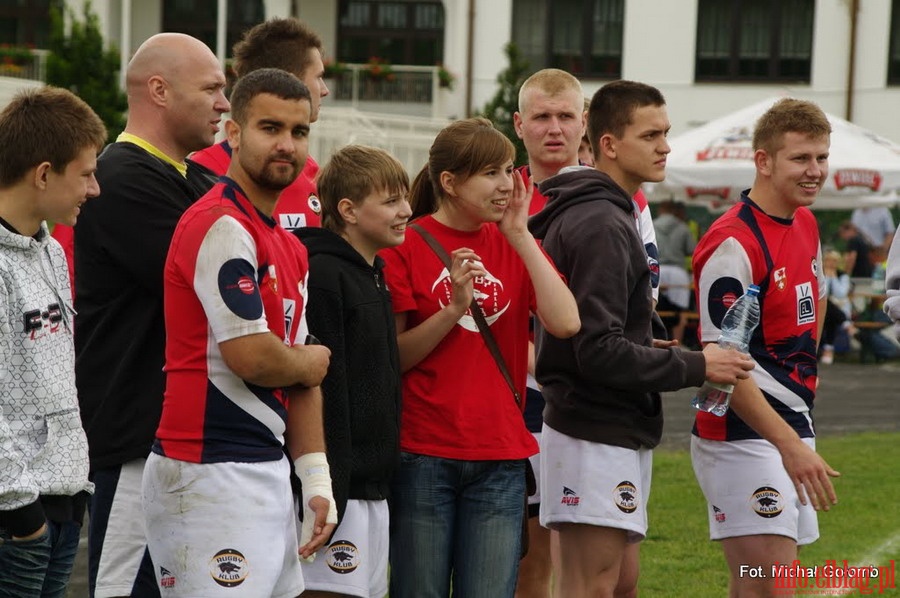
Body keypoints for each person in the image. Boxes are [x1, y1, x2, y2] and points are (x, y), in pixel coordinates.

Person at [527, 80, 757, 598]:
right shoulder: (601, 221)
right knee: (591, 586)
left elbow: (596, 332)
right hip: (593, 426)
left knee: (615, 581)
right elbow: (597, 351)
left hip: (605, 424)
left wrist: (645, 340)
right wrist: (701, 366)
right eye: (651, 134)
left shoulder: (610, 211)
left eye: (666, 133)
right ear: (609, 144)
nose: (665, 146)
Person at [142, 68, 336, 596]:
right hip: (206, 468)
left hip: (264, 466)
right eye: (270, 127)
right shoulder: (221, 224)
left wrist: (315, 479)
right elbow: (254, 356)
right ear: (233, 133)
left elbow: (299, 374)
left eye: (299, 132)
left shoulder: (291, 245)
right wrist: (311, 361)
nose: (286, 145)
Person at [383, 117, 581, 598]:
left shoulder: (514, 241)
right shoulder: (405, 244)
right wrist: (453, 309)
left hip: (501, 456)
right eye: (491, 173)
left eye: (509, 170)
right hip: (423, 453)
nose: (507, 185)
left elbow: (566, 322)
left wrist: (520, 236)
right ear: (449, 182)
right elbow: (394, 358)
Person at [72, 33, 230, 597]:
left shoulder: (201, 180)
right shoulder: (121, 180)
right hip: (138, 443)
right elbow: (223, 291)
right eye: (212, 87)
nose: (224, 102)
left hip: (190, 442)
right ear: (159, 90)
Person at [691, 98, 841, 597]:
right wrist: (788, 444)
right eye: (801, 158)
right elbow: (722, 367)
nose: (815, 170)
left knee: (762, 586)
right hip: (740, 434)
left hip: (790, 424)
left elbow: (813, 306)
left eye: (821, 157)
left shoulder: (806, 223)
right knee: (772, 586)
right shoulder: (733, 242)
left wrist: (798, 405)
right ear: (763, 160)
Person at [0, 87, 105, 597]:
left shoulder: (52, 251)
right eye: (86, 174)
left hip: (63, 503)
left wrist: (75, 485)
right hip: (16, 520)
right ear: (43, 174)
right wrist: (22, 514)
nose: (95, 188)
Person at [293, 145, 410, 597]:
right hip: (340, 494)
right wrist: (330, 491)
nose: (406, 211)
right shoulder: (324, 274)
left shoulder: (372, 272)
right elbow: (326, 393)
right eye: (391, 201)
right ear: (348, 210)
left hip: (370, 488)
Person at [512, 68, 587, 598]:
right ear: (519, 124)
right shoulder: (500, 195)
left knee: (589, 563)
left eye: (565, 116)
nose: (554, 128)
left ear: (584, 123)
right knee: (529, 556)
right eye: (541, 117)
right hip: (520, 400)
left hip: (590, 400)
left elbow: (634, 305)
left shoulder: (623, 201)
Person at [191, 17, 329, 231]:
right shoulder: (201, 172)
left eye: (299, 133)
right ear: (288, 80)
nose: (324, 89)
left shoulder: (307, 170)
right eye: (319, 77)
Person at [654, 199, 696, 344]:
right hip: (678, 272)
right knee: (681, 313)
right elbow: (692, 250)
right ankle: (676, 346)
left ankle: (654, 343)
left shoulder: (652, 225)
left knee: (653, 308)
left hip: (656, 269)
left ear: (660, 210)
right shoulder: (683, 227)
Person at [820, 250, 856, 364]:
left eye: (834, 261)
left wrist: (833, 277)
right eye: (828, 260)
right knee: (828, 305)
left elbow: (841, 293)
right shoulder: (819, 274)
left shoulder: (843, 275)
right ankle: (846, 324)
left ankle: (828, 350)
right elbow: (821, 293)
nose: (831, 263)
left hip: (839, 309)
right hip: (826, 310)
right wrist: (826, 277)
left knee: (830, 313)